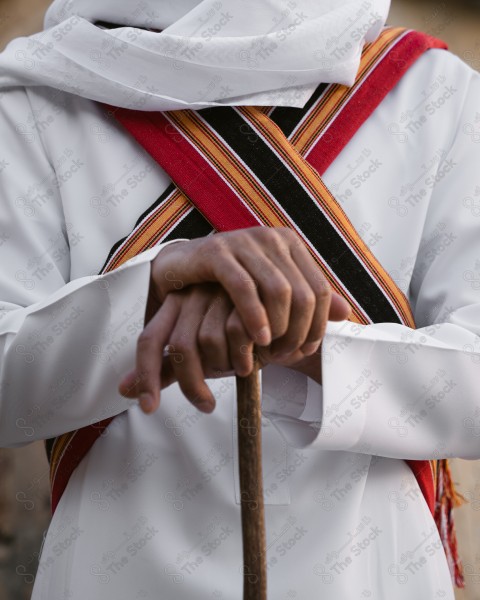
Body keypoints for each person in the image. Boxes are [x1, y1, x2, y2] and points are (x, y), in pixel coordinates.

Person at [0, 0, 479, 597]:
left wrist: (304, 340)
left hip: (370, 571)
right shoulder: (40, 96)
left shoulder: (431, 92)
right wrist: (146, 292)